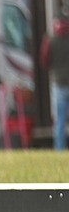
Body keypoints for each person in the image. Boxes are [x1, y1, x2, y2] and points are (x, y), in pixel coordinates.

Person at [41, 18, 69, 150]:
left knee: (60, 120)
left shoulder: (50, 40)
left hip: (58, 83)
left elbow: (44, 60)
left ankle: (59, 148)